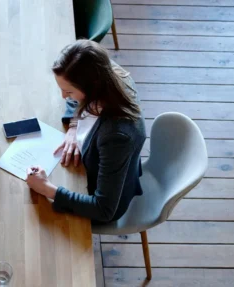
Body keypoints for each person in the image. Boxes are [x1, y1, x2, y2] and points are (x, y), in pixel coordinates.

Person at [25, 40, 146, 224]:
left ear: (92, 88)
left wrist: (47, 189)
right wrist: (74, 126)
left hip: (100, 199)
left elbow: (103, 209)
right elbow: (76, 99)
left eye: (69, 92)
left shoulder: (116, 137)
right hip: (93, 167)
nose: (64, 97)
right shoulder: (103, 71)